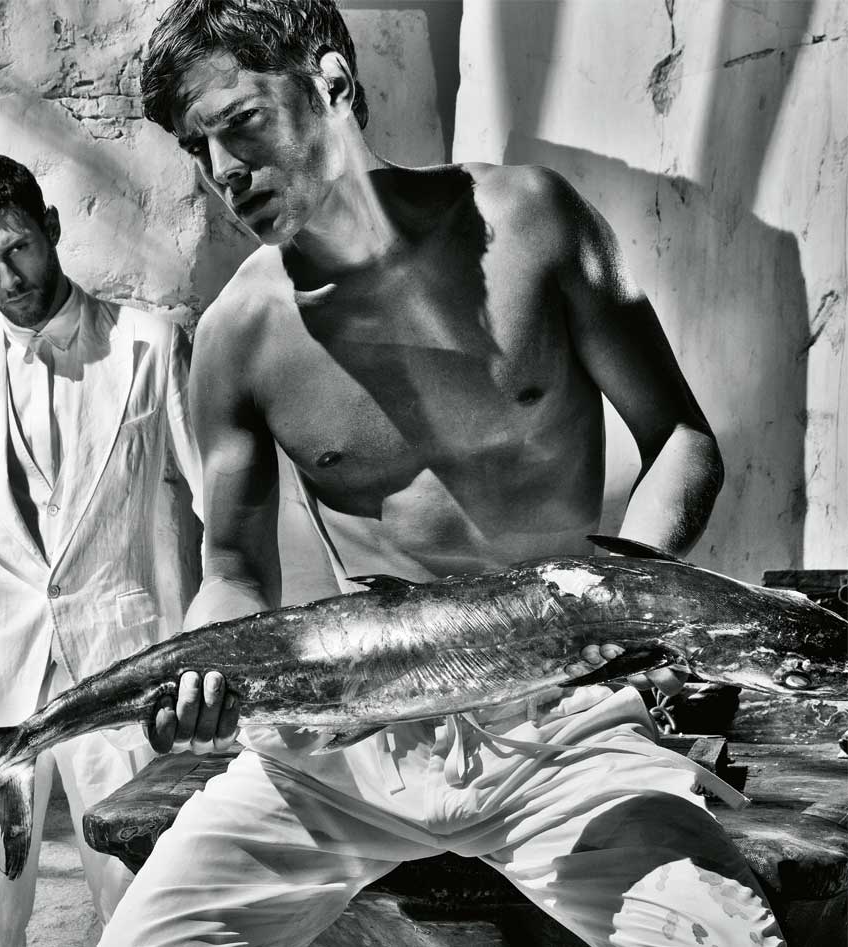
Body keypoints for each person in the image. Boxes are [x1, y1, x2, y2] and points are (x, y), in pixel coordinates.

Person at [101, 2, 784, 946]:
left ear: (332, 83)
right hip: (347, 738)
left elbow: (679, 437)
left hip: (561, 724)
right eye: (195, 147)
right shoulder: (236, 335)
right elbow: (232, 571)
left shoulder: (534, 222)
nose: (222, 171)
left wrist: (625, 596)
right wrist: (203, 669)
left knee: (722, 937)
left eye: (241, 124)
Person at [0, 152, 201, 947]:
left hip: (123, 665)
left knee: (144, 907)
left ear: (50, 226)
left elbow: (214, 509)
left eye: (18, 248)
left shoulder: (149, 343)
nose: (7, 277)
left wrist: (198, 661)